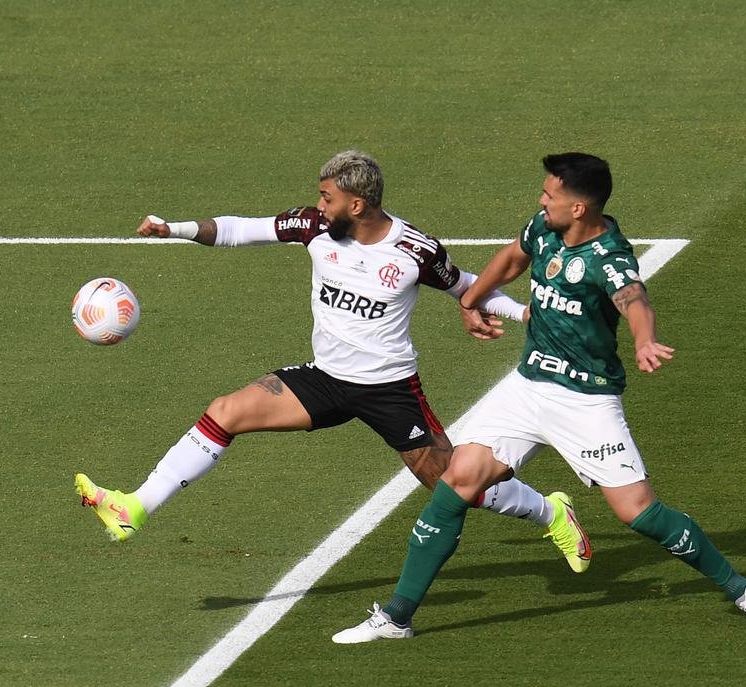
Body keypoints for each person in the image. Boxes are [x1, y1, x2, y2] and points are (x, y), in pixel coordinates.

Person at [333, 152, 746, 643]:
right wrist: (471, 298)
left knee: (639, 513)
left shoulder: (609, 258)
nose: (541, 199)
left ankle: (743, 590)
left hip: (586, 401)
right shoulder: (544, 229)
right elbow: (511, 258)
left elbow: (634, 300)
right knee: (458, 480)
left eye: (550, 194)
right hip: (527, 387)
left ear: (578, 208)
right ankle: (398, 617)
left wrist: (643, 340)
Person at [75, 150, 590, 572]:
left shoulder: (414, 251)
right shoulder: (314, 227)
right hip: (325, 379)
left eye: (328, 198)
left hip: (390, 391)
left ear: (359, 205)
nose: (318, 207)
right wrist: (177, 229)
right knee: (226, 411)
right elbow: (240, 229)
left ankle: (552, 512)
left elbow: (466, 288)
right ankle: (135, 507)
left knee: (458, 484)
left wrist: (526, 313)